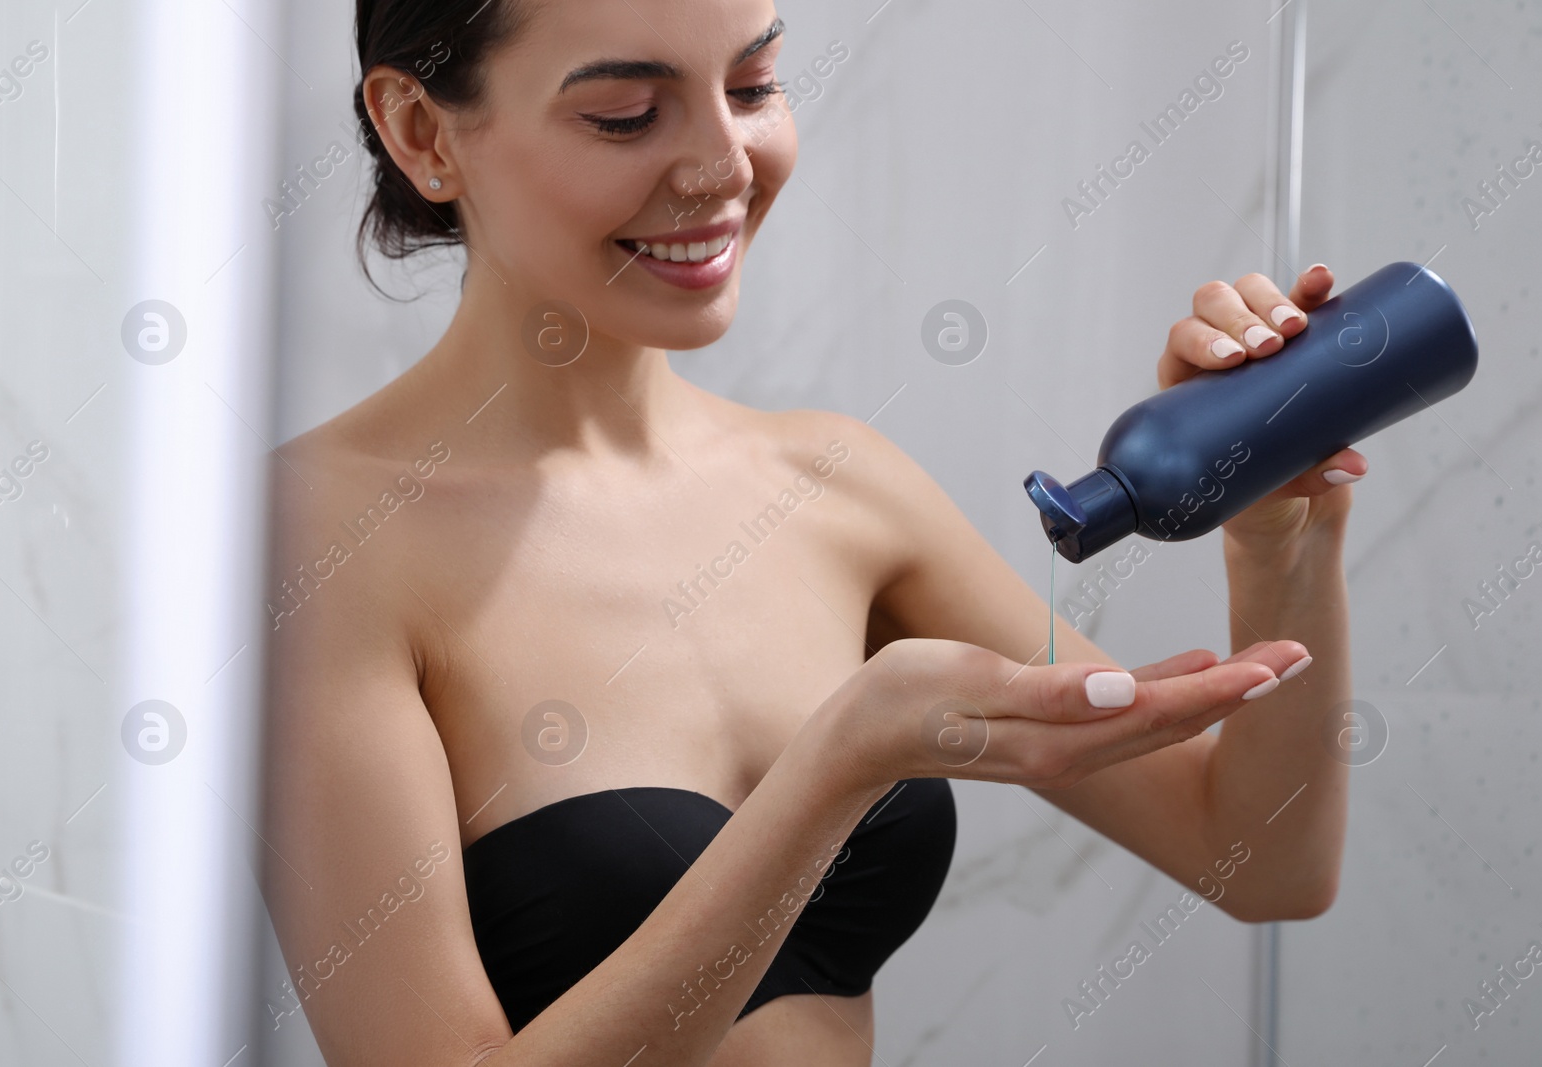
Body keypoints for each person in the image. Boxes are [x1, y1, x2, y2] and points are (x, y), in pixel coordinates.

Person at [261, 2, 1362, 1063]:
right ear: (420, 129)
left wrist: (1279, 547)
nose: (724, 165)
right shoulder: (315, 543)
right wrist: (836, 767)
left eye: (751, 86)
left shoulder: (834, 484)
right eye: (626, 116)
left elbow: (1258, 857)